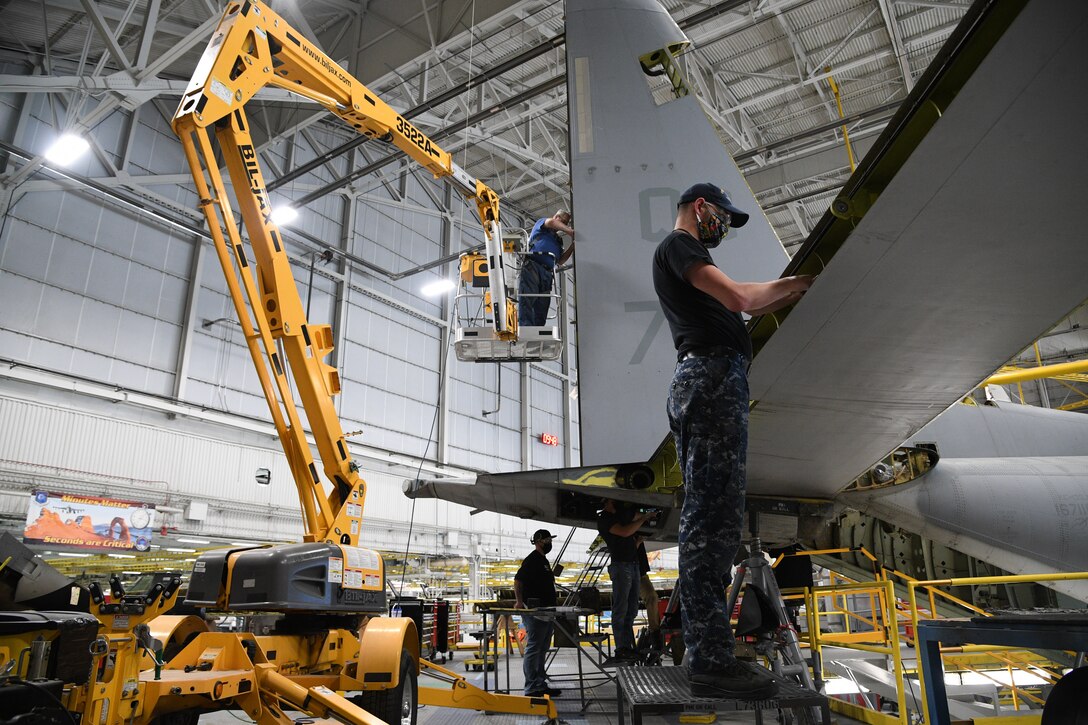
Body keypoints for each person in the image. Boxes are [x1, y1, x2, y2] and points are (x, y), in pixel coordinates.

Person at [652, 182, 813, 699]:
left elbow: (748, 308)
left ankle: (710, 655)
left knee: (713, 518)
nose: (724, 226)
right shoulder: (681, 245)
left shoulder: (689, 260)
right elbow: (743, 298)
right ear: (702, 208)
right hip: (711, 380)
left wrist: (790, 292)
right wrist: (801, 280)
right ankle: (712, 662)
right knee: (711, 523)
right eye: (724, 216)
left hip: (710, 380)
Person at [597, 500, 655, 664]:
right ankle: (622, 648)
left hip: (633, 564)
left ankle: (628, 647)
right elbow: (624, 532)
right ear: (607, 502)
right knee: (621, 608)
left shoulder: (621, 515)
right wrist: (644, 519)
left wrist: (638, 542)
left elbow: (627, 539)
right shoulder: (605, 519)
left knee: (631, 609)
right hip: (621, 566)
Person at [514, 528, 562, 697]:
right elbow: (518, 580)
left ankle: (540, 683)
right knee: (534, 648)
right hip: (535, 612)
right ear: (540, 541)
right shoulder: (532, 559)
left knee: (542, 648)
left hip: (547, 612)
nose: (550, 543)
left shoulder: (544, 561)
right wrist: (519, 601)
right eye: (548, 540)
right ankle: (531, 686)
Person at [518, 210, 574, 327]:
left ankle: (538, 329)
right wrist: (569, 231)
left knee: (542, 304)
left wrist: (572, 246)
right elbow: (552, 222)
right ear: (556, 217)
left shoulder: (558, 241)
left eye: (566, 223)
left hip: (547, 273)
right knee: (528, 298)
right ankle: (526, 327)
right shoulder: (542, 224)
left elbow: (561, 261)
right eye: (563, 221)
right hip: (533, 266)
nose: (563, 225)